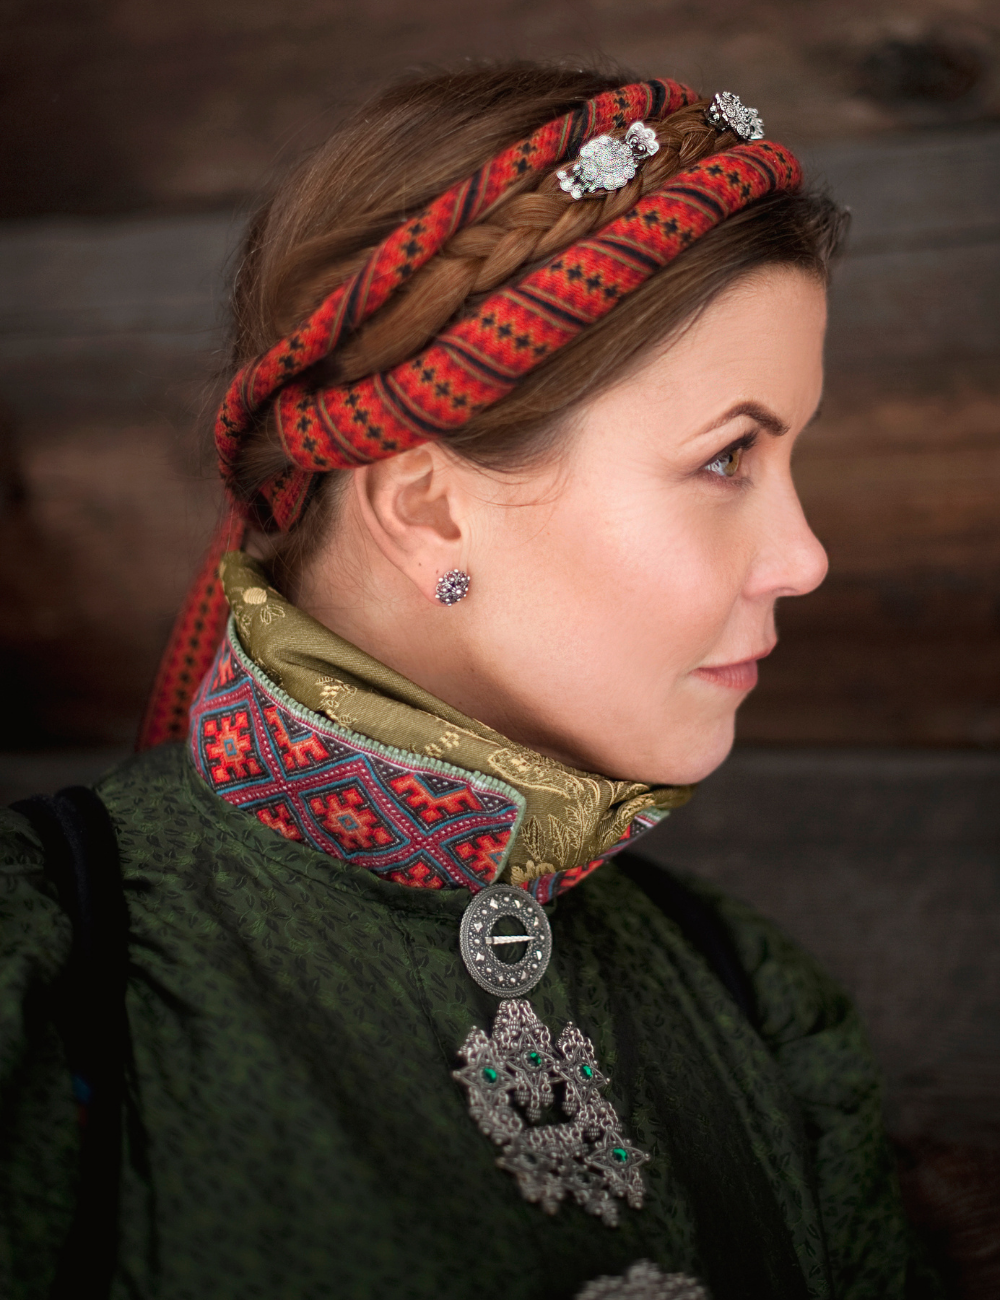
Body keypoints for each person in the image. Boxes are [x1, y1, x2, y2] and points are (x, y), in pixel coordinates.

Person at [0, 64, 940, 1300]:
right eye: (726, 459)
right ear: (427, 507)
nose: (804, 558)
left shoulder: (748, 992)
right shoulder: (45, 968)